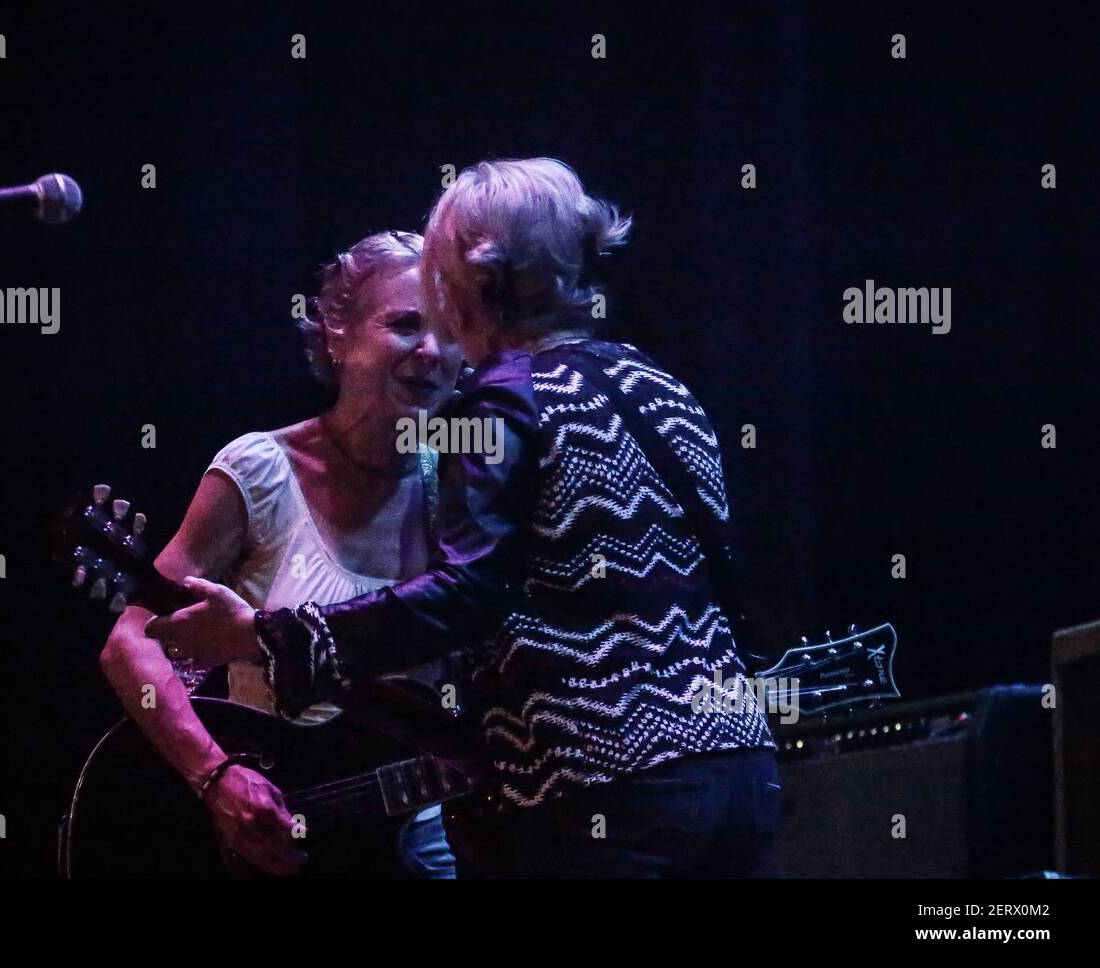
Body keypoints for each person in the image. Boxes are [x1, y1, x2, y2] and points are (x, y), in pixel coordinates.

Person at [149, 159, 781, 878]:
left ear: (466, 286)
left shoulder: (504, 404)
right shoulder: (662, 387)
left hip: (602, 795)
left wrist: (270, 637)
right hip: (741, 775)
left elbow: (472, 596)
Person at [100, 230, 462, 877]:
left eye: (452, 328)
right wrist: (214, 777)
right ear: (336, 335)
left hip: (422, 846)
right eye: (405, 324)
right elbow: (131, 644)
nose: (433, 351)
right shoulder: (259, 470)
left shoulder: (465, 491)